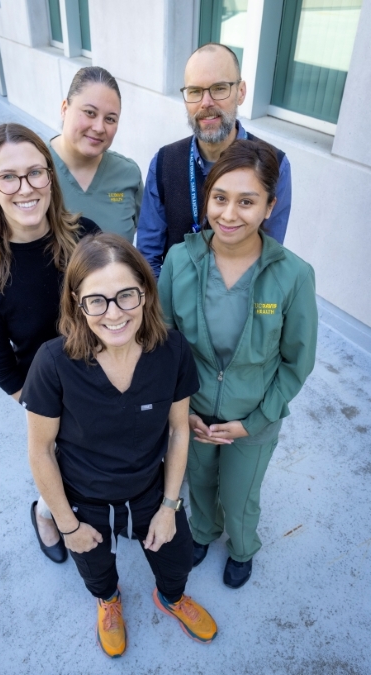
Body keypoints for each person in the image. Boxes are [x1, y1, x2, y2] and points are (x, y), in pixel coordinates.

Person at [20, 233, 217, 658]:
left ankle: (171, 598)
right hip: (85, 497)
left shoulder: (172, 351)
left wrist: (169, 507)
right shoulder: (52, 363)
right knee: (94, 567)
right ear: (77, 302)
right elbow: (40, 451)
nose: (113, 314)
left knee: (176, 557)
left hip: (150, 489)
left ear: (145, 292)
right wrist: (67, 525)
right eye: (97, 300)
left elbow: (180, 430)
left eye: (126, 295)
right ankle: (108, 601)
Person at [158, 139, 317, 589]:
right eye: (220, 198)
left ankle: (243, 548)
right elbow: (164, 345)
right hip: (194, 413)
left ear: (270, 206)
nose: (229, 215)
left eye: (247, 201)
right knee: (200, 482)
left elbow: (296, 363)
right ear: (206, 198)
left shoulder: (293, 276)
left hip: (253, 420)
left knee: (241, 493)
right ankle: (204, 533)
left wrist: (257, 420)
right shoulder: (178, 261)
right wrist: (180, 412)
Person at [0, 123, 99, 565]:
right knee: (60, 468)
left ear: (50, 177)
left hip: (104, 374)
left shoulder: (84, 236)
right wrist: (44, 408)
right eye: (9, 177)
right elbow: (1, 365)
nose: (26, 187)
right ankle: (46, 513)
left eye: (36, 173)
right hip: (47, 393)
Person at [137, 42, 292, 277]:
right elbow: (148, 258)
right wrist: (165, 308)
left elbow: (268, 261)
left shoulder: (275, 165)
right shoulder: (164, 163)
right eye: (195, 91)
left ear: (241, 92)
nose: (206, 103)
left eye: (219, 88)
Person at [49, 66, 143, 244]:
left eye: (110, 119)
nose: (99, 128)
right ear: (64, 109)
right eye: (90, 113)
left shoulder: (128, 175)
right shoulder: (34, 169)